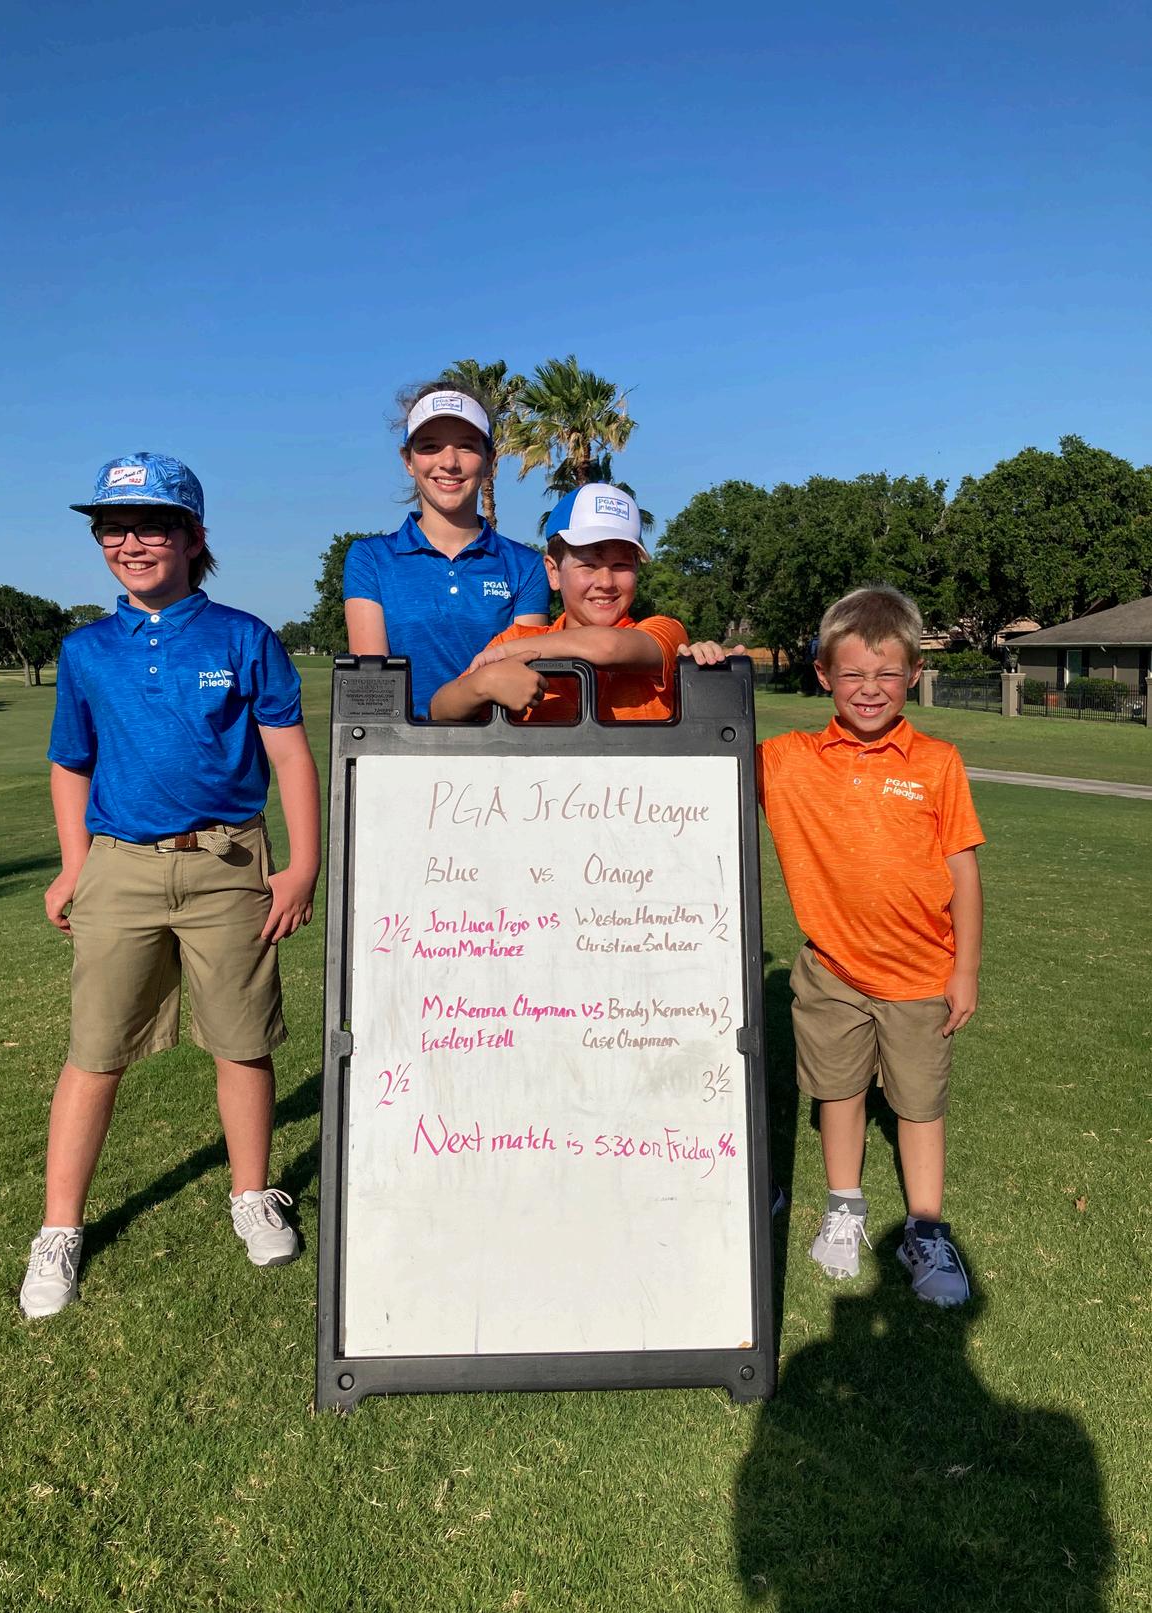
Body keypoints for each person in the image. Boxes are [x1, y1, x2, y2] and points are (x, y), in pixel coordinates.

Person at [19, 452, 321, 1319]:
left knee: (242, 1040)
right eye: (113, 528)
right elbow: (71, 763)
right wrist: (73, 863)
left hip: (229, 864)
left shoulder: (243, 637)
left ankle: (251, 1193)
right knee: (95, 1049)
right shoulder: (86, 649)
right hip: (120, 866)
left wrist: (302, 864)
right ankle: (59, 1229)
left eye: (152, 525)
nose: (131, 543)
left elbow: (289, 755)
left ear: (193, 537)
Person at [756, 585, 984, 1306]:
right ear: (823, 673)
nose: (869, 688)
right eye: (852, 673)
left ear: (914, 672)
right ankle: (844, 1207)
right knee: (838, 1092)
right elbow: (706, 753)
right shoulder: (786, 760)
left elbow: (963, 872)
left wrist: (966, 969)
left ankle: (926, 1229)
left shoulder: (937, 762)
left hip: (921, 975)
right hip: (831, 972)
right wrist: (704, 661)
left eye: (887, 674)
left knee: (918, 1104)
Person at [430, 483, 727, 722]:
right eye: (588, 565)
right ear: (553, 572)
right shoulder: (516, 638)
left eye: (622, 565)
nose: (606, 582)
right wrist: (483, 684)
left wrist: (509, 653)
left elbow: (607, 646)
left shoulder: (663, 630)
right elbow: (440, 708)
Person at [343, 384, 549, 717]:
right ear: (408, 461)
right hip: (399, 747)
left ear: (490, 461)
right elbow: (374, 692)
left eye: (466, 446)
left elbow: (519, 681)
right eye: (431, 446)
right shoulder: (370, 559)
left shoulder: (525, 566)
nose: (449, 462)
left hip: (498, 745)